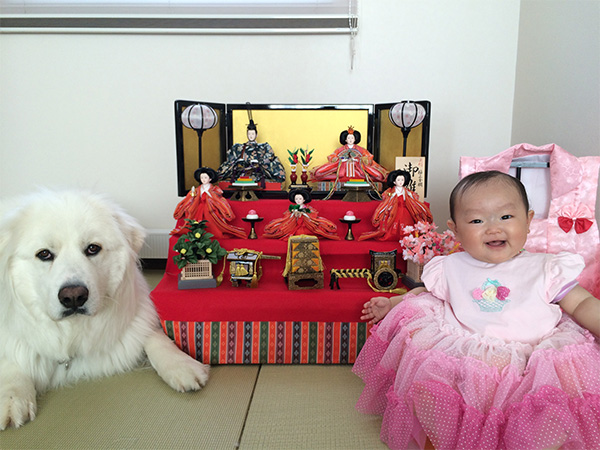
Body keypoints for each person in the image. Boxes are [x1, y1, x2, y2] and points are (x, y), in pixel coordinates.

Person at [353, 170, 600, 450]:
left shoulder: (545, 267)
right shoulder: (452, 267)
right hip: (469, 362)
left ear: (529, 221)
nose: (493, 228)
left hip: (533, 363)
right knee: (436, 393)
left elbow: (581, 302)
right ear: (455, 229)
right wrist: (393, 303)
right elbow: (427, 294)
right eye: (476, 220)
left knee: (549, 409)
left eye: (506, 217)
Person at [171, 167, 246, 239]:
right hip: (198, 206)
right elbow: (191, 197)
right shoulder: (198, 189)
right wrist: (193, 195)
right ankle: (197, 233)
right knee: (193, 216)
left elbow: (219, 196)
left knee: (210, 219)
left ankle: (212, 233)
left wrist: (210, 194)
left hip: (210, 206)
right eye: (202, 178)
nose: (203, 179)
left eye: (205, 177)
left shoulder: (214, 188)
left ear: (210, 179)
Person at [358, 169, 433, 241]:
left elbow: (413, 198)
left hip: (406, 210)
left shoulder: (407, 191)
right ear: (394, 181)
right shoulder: (390, 192)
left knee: (408, 225)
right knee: (391, 224)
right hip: (393, 210)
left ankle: (407, 237)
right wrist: (392, 198)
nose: (401, 182)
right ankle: (393, 236)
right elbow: (386, 198)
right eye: (398, 180)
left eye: (402, 180)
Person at [310, 126, 388, 193]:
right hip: (342, 170)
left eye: (352, 138)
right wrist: (340, 160)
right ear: (345, 140)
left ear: (355, 139)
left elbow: (369, 158)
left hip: (358, 170)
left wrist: (359, 160)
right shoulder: (340, 150)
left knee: (379, 176)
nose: (350, 139)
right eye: (348, 138)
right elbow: (331, 157)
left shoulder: (361, 149)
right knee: (318, 173)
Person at [216, 120, 286, 187]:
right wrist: (239, 162)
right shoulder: (239, 147)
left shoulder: (264, 146)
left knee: (274, 164)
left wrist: (260, 162)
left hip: (259, 170)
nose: (251, 136)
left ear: (256, 134)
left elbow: (270, 157)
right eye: (249, 133)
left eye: (253, 133)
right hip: (243, 170)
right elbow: (231, 158)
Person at [262, 188, 340, 240]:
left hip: (305, 224)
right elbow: (288, 216)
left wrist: (303, 214)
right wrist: (294, 214)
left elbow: (311, 215)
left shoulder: (307, 208)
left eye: (300, 199)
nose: (298, 200)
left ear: (304, 199)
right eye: (296, 199)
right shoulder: (293, 207)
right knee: (294, 232)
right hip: (295, 224)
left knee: (306, 233)